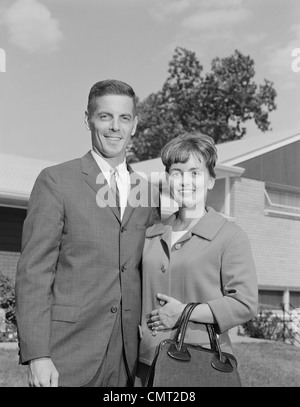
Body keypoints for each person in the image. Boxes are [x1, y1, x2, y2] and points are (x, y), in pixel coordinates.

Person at [15, 79, 159, 387]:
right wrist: (38, 355)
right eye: (105, 116)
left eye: (124, 118)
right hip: (68, 352)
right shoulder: (56, 181)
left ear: (134, 125)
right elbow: (34, 272)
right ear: (88, 119)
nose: (114, 127)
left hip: (129, 358)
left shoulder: (148, 193)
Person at [135, 132, 258, 386]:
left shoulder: (230, 236)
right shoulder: (151, 233)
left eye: (195, 172)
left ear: (211, 180)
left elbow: (245, 302)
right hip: (146, 364)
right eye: (177, 172)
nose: (185, 181)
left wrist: (184, 313)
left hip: (199, 364)